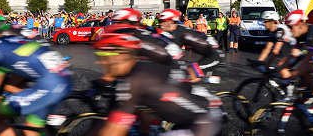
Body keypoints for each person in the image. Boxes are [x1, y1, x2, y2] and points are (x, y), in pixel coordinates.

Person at [93, 33, 221, 136]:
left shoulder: (135, 79)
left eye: (103, 57)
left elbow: (113, 131)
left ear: (119, 56)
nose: (100, 63)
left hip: (202, 124)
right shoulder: (139, 69)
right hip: (197, 115)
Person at [158, 9, 221, 82]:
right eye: (159, 21)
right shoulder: (175, 30)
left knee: (185, 75)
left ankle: (200, 87)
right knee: (180, 72)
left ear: (171, 21)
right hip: (204, 54)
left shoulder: (180, 32)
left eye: (162, 21)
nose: (160, 24)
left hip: (213, 56)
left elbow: (173, 55)